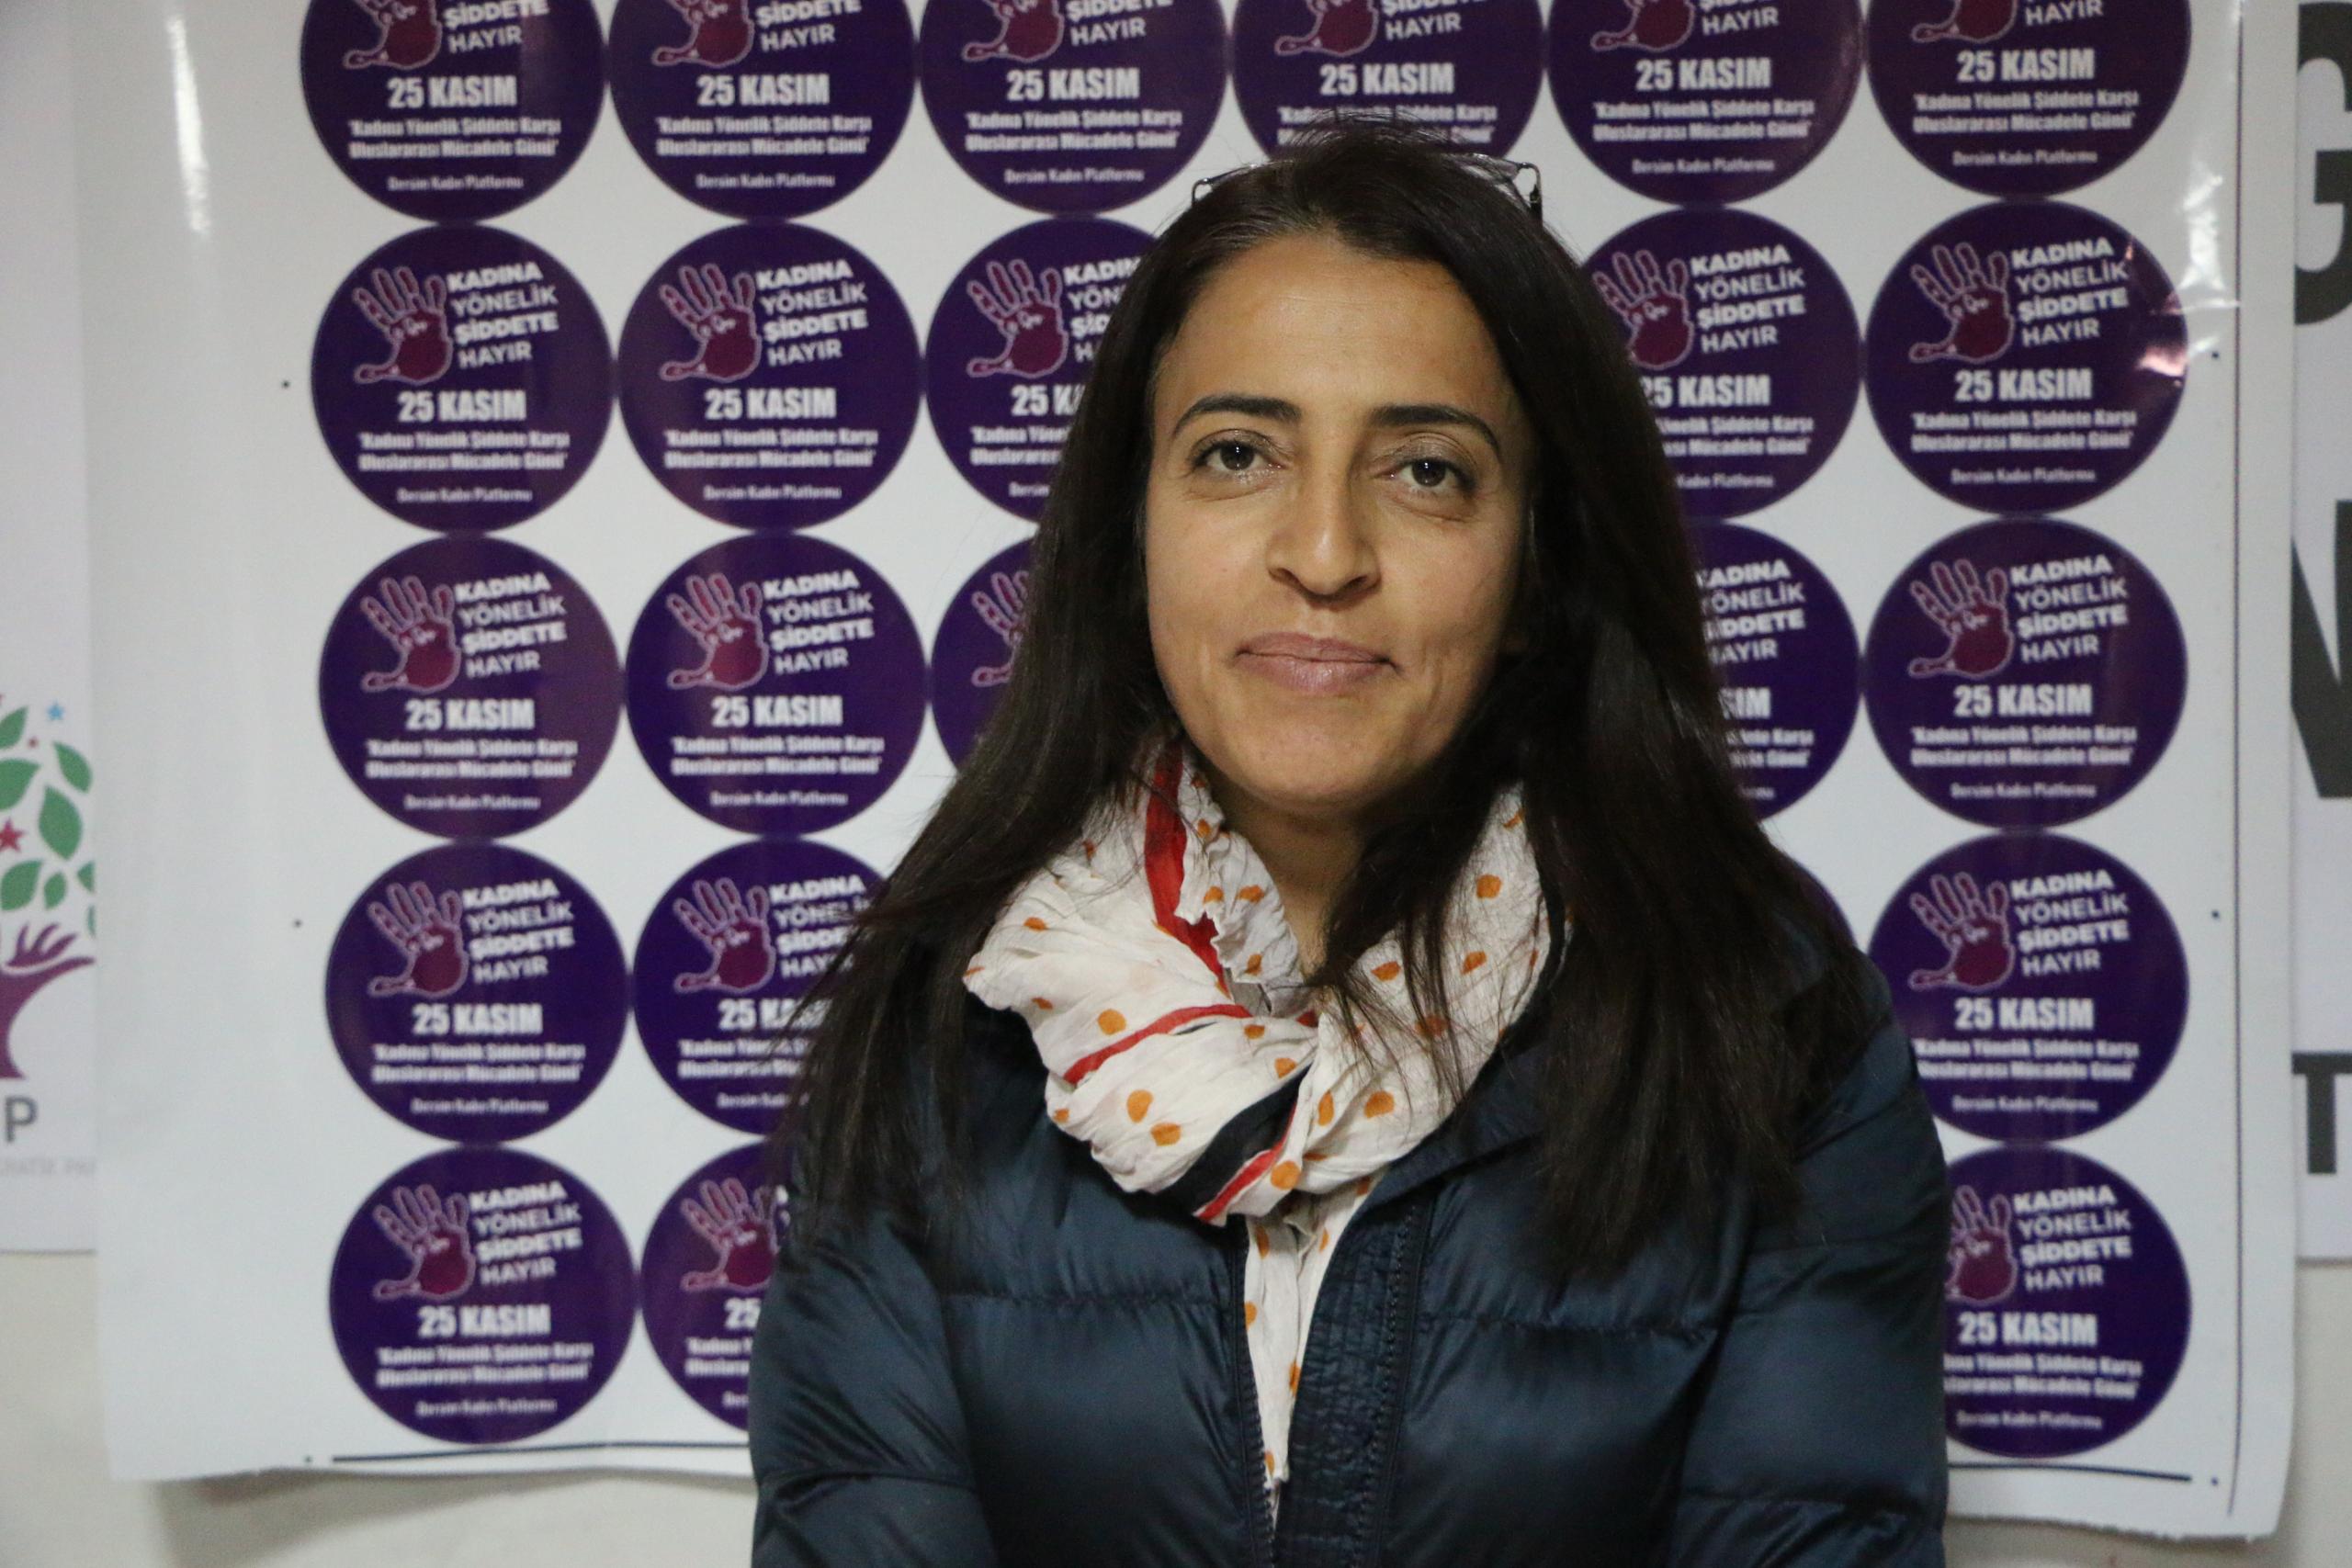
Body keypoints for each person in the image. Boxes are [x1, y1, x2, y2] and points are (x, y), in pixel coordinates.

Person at [747, 118, 1950, 1566]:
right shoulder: (946, 1018)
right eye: (1237, 453)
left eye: (1426, 470)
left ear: (1537, 564)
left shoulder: (1773, 1023)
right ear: (1133, 532)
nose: (1323, 554)